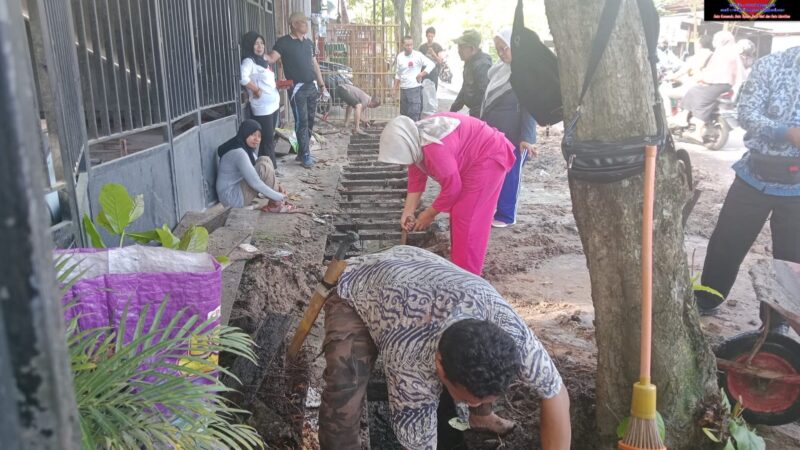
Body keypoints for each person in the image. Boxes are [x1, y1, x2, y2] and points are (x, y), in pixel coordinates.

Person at [318, 245, 571, 450]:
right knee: (344, 388)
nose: (470, 403)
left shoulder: (508, 328)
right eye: (466, 400)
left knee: (480, 373)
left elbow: (555, 392)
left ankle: (481, 418)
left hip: (421, 268)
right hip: (360, 287)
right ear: (438, 363)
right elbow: (418, 444)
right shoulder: (409, 362)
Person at [694, 46, 800, 315]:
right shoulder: (771, 65)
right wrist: (786, 132)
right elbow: (747, 113)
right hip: (755, 175)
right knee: (727, 241)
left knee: (792, 258)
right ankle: (708, 299)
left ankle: (778, 321)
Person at [379, 113, 516, 275]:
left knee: (467, 217)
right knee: (460, 214)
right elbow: (416, 180)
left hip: (488, 156)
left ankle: (467, 277)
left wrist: (429, 214)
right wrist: (407, 212)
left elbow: (452, 188)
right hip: (473, 157)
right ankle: (460, 263)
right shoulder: (414, 139)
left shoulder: (434, 149)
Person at [482, 29, 537, 228]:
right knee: (497, 173)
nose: (502, 53)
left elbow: (530, 107)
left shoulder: (524, 73)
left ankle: (507, 215)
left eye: (504, 48)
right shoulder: (499, 71)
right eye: (498, 50)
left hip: (516, 136)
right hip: (497, 134)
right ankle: (496, 209)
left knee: (511, 175)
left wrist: (527, 138)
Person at [263, 12, 327, 169]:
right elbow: (271, 58)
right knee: (302, 121)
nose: (305, 25)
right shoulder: (283, 43)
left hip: (311, 86)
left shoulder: (309, 43)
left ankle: (302, 152)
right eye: (302, 22)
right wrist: (256, 53)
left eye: (305, 22)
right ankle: (305, 155)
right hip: (297, 88)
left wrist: (322, 85)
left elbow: (314, 65)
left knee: (311, 120)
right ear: (294, 24)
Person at [216, 119, 295, 212]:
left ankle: (276, 202)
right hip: (231, 198)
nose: (257, 139)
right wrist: (279, 196)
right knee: (263, 167)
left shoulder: (244, 148)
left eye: (259, 136)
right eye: (253, 134)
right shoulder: (239, 153)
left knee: (265, 159)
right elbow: (255, 182)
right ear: (245, 133)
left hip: (236, 190)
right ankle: (277, 203)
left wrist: (279, 186)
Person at [679, 31, 743, 142]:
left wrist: (702, 79)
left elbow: (713, 73)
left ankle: (694, 129)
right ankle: (685, 118)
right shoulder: (733, 52)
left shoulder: (721, 53)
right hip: (727, 86)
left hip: (718, 84)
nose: (714, 42)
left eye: (716, 39)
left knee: (695, 92)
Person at [240, 31, 281, 172]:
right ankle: (271, 171)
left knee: (267, 139)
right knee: (267, 139)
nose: (260, 46)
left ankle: (265, 170)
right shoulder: (249, 61)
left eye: (262, 43)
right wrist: (256, 89)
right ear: (249, 45)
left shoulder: (263, 61)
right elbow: (243, 78)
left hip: (273, 105)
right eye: (256, 43)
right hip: (262, 107)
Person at [661, 34, 714, 116]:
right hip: (710, 89)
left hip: (695, 89)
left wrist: (668, 77)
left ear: (699, 45)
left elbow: (681, 72)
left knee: (662, 91)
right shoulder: (714, 56)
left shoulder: (696, 57)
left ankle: (668, 116)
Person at [450, 30, 492, 118]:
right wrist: (453, 110)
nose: (458, 51)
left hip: (480, 115)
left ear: (472, 49)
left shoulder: (482, 65)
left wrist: (476, 119)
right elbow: (466, 87)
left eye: (461, 47)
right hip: (474, 112)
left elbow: (484, 96)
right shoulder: (470, 62)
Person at [394, 35, 435, 121]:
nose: (409, 47)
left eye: (411, 45)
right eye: (407, 45)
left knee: (414, 115)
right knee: (404, 115)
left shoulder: (418, 55)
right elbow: (398, 74)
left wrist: (421, 74)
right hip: (403, 90)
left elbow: (431, 64)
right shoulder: (400, 57)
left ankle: (415, 133)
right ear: (402, 45)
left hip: (414, 89)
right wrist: (395, 88)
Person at [419, 26, 445, 91]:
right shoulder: (422, 47)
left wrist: (433, 54)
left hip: (434, 72)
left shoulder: (437, 47)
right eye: (428, 36)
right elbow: (419, 61)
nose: (430, 38)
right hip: (424, 72)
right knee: (423, 92)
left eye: (431, 36)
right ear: (426, 36)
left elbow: (440, 61)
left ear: (434, 36)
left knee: (433, 92)